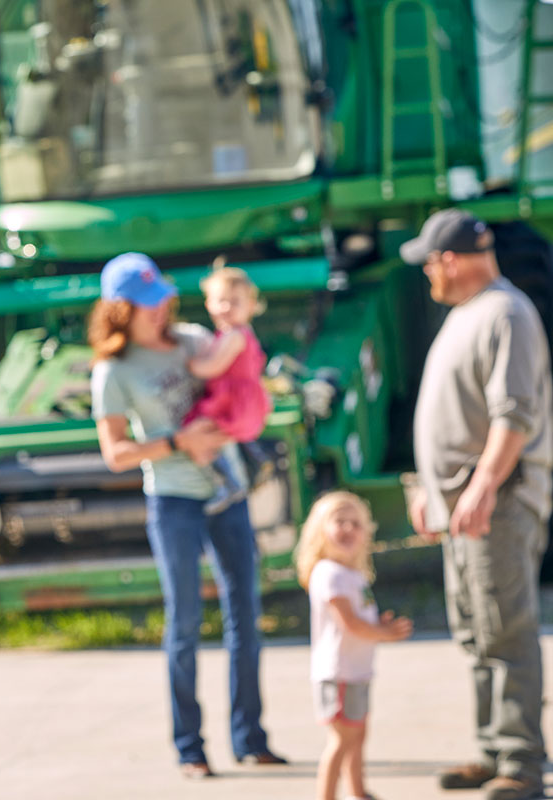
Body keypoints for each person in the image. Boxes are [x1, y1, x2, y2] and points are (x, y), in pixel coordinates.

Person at [89, 252, 286, 778]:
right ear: (119, 310)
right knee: (185, 622)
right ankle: (190, 748)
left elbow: (239, 376)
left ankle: (251, 738)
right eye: (147, 305)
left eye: (163, 301)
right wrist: (178, 440)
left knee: (245, 614)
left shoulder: (197, 340)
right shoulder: (114, 370)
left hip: (231, 493)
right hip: (174, 500)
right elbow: (116, 453)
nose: (161, 312)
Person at [402, 209, 551, 800]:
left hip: (498, 503)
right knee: (478, 632)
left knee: (506, 629)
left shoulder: (505, 312)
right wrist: (429, 489)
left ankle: (521, 762)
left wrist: (484, 486)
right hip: (463, 505)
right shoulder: (469, 314)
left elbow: (513, 414)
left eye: (429, 265)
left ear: (451, 260)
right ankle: (493, 749)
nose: (427, 277)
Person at [295, 491, 413, 800]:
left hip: (357, 671)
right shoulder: (329, 574)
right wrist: (384, 634)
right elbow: (351, 623)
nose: (348, 528)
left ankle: (358, 792)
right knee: (342, 741)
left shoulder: (354, 575)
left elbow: (362, 621)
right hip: (339, 674)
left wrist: (381, 627)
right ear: (320, 530)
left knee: (358, 736)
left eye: (356, 522)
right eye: (339, 521)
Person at [182, 266, 273, 514]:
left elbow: (214, 367)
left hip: (232, 400)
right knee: (222, 438)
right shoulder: (230, 333)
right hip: (238, 397)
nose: (226, 308)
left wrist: (191, 365)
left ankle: (230, 482)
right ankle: (249, 463)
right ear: (208, 303)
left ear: (251, 305)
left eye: (234, 302)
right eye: (221, 301)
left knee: (203, 436)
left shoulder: (235, 335)